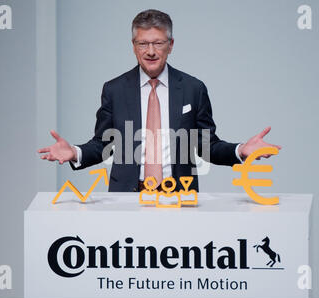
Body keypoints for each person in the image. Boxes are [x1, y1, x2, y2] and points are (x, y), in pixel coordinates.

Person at [38, 9, 281, 192]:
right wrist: (75, 152)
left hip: (178, 197)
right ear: (134, 46)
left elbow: (208, 146)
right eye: (143, 43)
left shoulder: (193, 89)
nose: (150, 51)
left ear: (170, 45)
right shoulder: (114, 89)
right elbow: (104, 144)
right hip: (126, 200)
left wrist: (241, 151)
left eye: (158, 43)